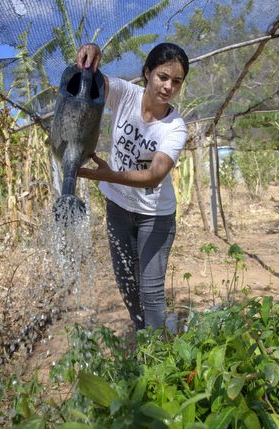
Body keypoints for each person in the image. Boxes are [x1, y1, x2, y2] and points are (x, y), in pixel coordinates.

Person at [75, 42, 189, 332]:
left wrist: (107, 175)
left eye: (176, 81)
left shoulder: (175, 127)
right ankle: (146, 340)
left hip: (155, 216)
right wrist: (91, 53)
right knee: (127, 285)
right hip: (118, 209)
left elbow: (154, 176)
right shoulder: (126, 95)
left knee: (150, 292)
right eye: (163, 77)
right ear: (147, 73)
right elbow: (92, 80)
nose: (168, 86)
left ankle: (159, 358)